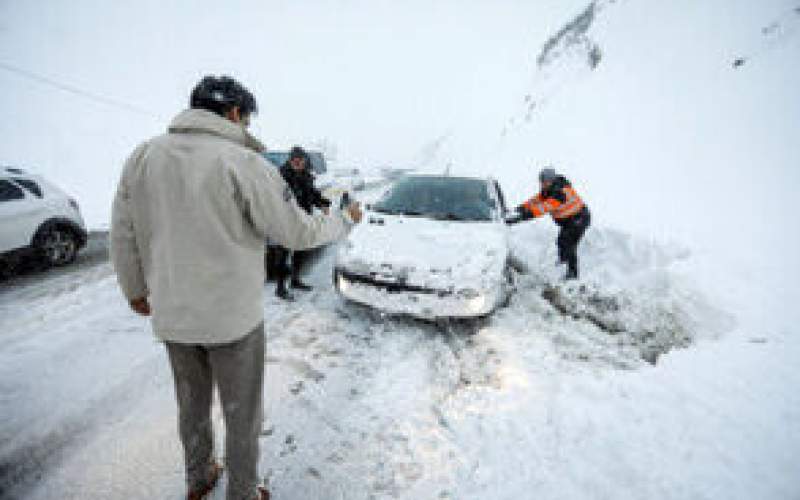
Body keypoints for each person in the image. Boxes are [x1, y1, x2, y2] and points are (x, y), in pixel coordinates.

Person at [110, 74, 362, 500]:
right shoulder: (243, 163)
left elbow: (123, 231)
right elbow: (297, 233)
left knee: (191, 407)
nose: (248, 128)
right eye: (246, 118)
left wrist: (134, 288)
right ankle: (242, 492)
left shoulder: (143, 157)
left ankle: (199, 477)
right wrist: (344, 219)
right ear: (232, 113)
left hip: (173, 317)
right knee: (241, 413)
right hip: (233, 323)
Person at [507, 167, 590, 280]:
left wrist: (519, 218)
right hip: (569, 220)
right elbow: (535, 201)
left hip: (579, 219)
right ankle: (563, 263)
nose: (542, 184)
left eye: (544, 182)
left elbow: (542, 208)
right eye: (541, 182)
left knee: (567, 243)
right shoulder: (548, 190)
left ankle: (573, 274)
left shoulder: (560, 193)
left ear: (551, 180)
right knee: (562, 241)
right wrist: (518, 209)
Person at [271, 146, 331, 300]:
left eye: (300, 160)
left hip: (303, 220)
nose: (297, 163)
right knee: (283, 255)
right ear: (290, 160)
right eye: (294, 160)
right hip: (285, 220)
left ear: (305, 161)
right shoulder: (281, 176)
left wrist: (323, 203)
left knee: (300, 252)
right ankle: (280, 287)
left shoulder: (307, 176)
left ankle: (295, 280)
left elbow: (312, 194)